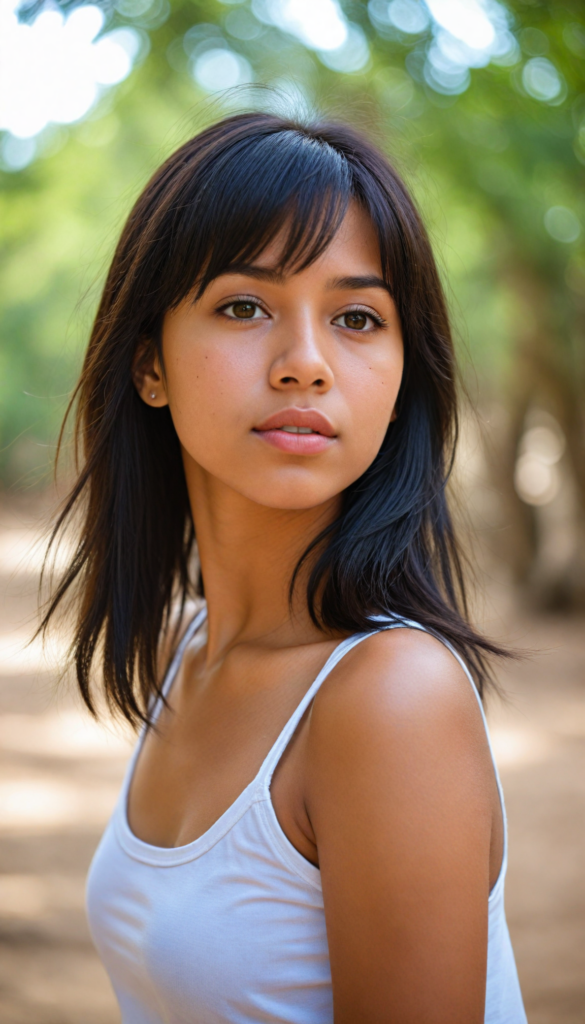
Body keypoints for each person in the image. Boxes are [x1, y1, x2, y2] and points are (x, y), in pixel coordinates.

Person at [42, 112, 527, 1023]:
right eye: (244, 306)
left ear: (399, 382)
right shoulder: (186, 648)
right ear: (148, 362)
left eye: (356, 318)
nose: (305, 364)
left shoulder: (390, 697)